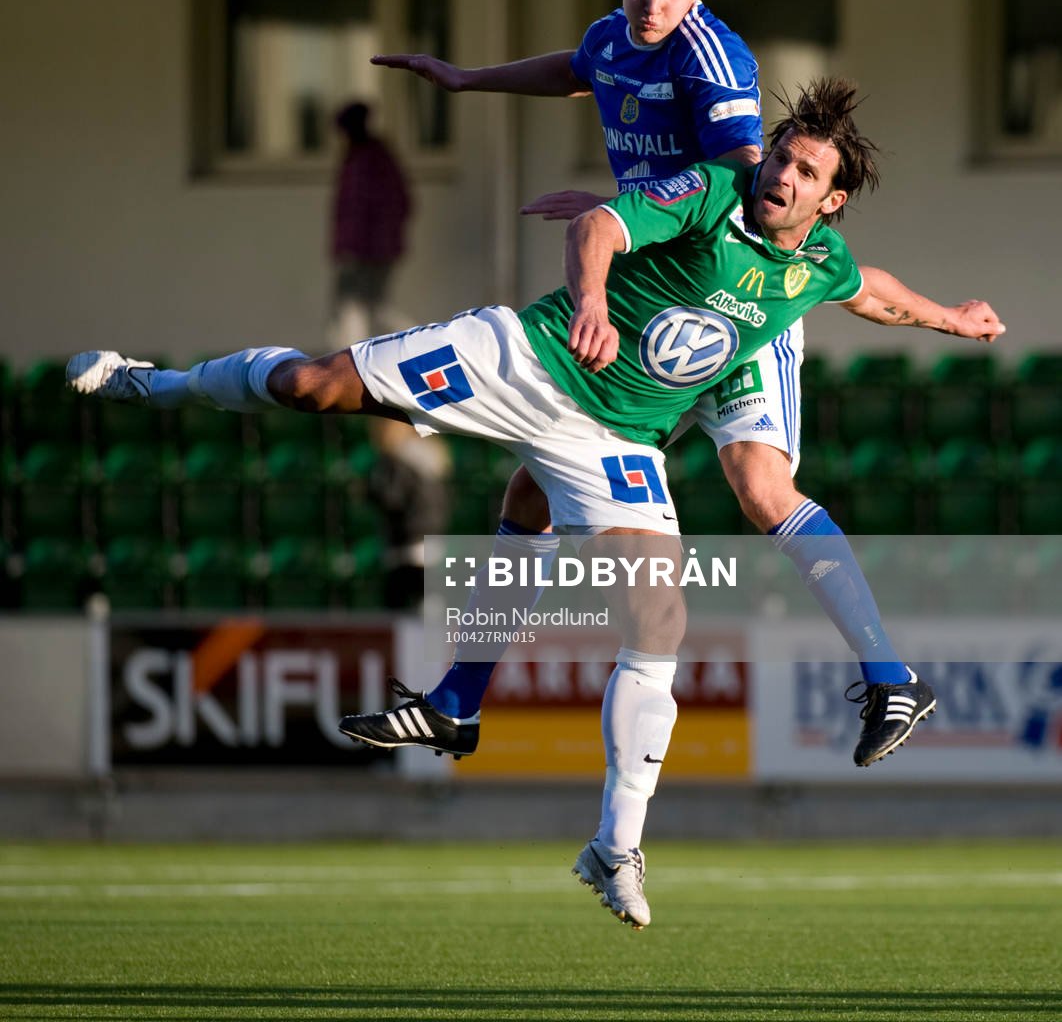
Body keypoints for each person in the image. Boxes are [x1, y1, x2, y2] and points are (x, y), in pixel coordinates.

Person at [68, 79, 1005, 930]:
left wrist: (952, 318)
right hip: (528, 358)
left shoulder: (819, 267)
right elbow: (597, 228)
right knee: (316, 387)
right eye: (781, 158)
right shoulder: (712, 193)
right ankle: (155, 385)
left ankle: (614, 848)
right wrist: (592, 296)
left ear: (829, 200)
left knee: (661, 615)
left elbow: (871, 291)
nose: (783, 177)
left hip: (613, 442)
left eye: (806, 172)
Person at [370, 0, 932, 740]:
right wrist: (467, 79)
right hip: (654, 297)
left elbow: (752, 171)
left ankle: (890, 677)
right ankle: (456, 701)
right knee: (535, 489)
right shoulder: (615, 33)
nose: (654, 3)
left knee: (760, 486)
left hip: (733, 300)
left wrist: (620, 210)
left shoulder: (711, 60)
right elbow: (577, 68)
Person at [329, 100, 411, 347]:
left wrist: (350, 248)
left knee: (361, 309)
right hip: (373, 249)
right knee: (371, 308)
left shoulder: (366, 162)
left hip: (365, 252)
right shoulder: (373, 158)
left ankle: (422, 345)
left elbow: (360, 210)